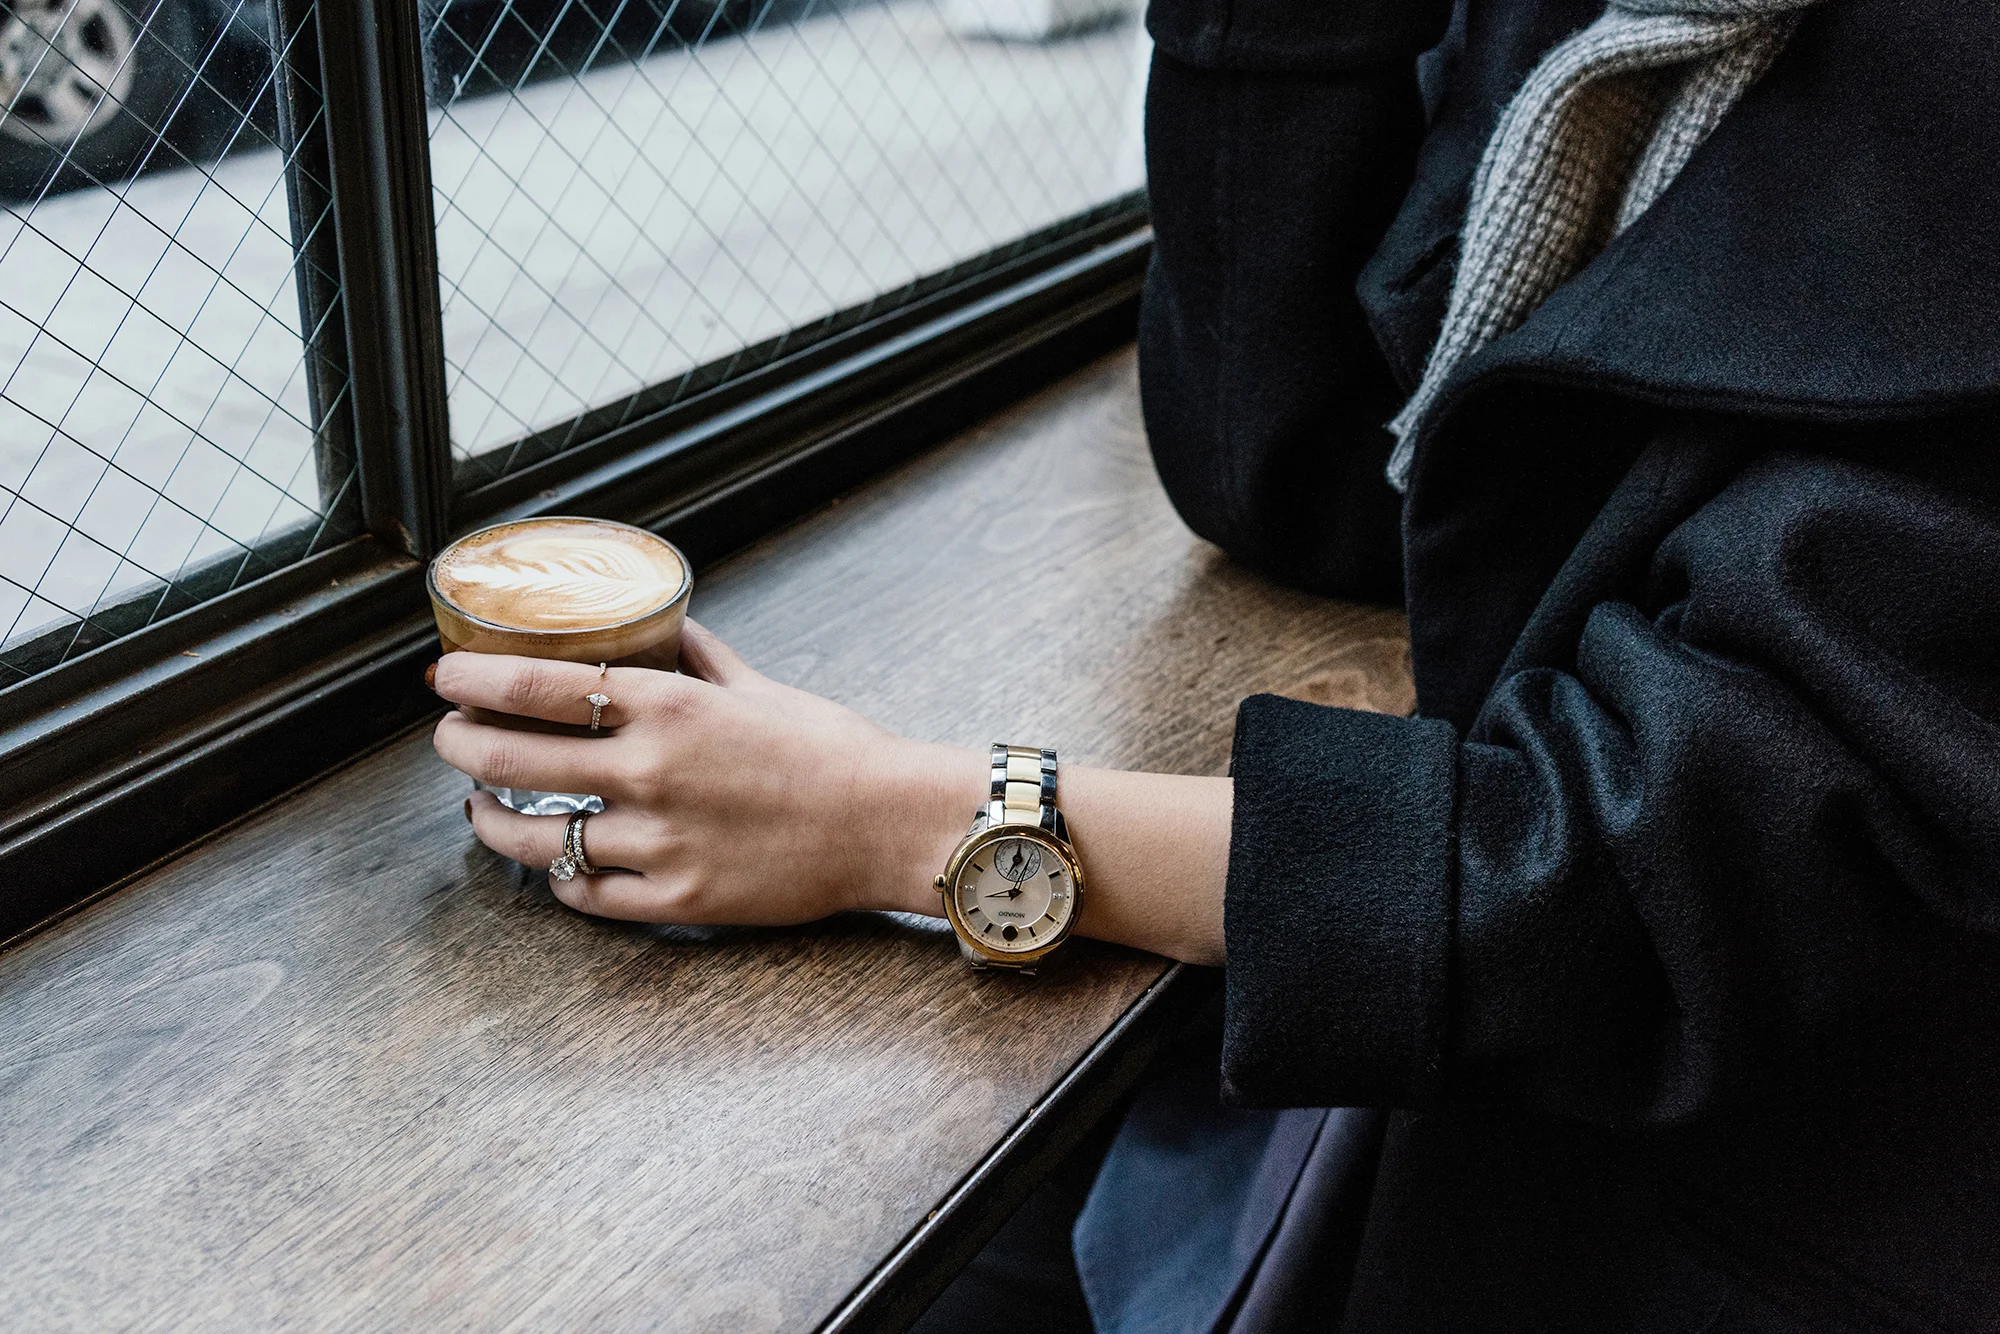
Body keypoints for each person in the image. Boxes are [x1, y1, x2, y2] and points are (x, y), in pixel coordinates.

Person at [428, 0, 2000, 1327]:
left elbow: (1653, 880)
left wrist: (888, 819)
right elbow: (1295, 474)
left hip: (1754, 1180)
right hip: (1451, 1020)